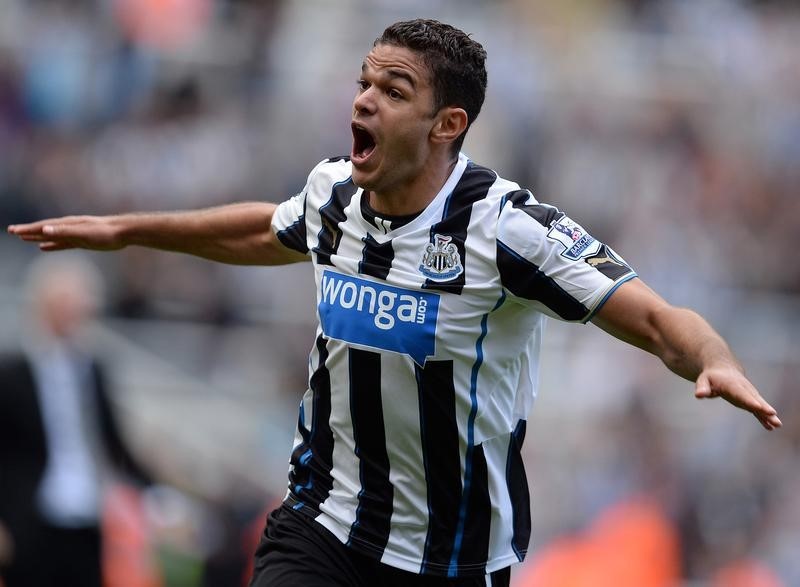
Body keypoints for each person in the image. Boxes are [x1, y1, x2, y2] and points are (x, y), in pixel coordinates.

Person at [7, 18, 781, 587]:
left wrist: (712, 358)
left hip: (453, 555)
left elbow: (649, 314)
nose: (367, 100)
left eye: (394, 88)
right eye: (365, 82)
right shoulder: (334, 194)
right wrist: (127, 229)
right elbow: (264, 229)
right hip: (325, 523)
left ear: (448, 124)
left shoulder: (508, 228)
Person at [0, 254, 153, 587]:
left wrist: (157, 492)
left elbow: (114, 441)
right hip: (30, 520)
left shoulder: (93, 369)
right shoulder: (11, 373)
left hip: (86, 516)